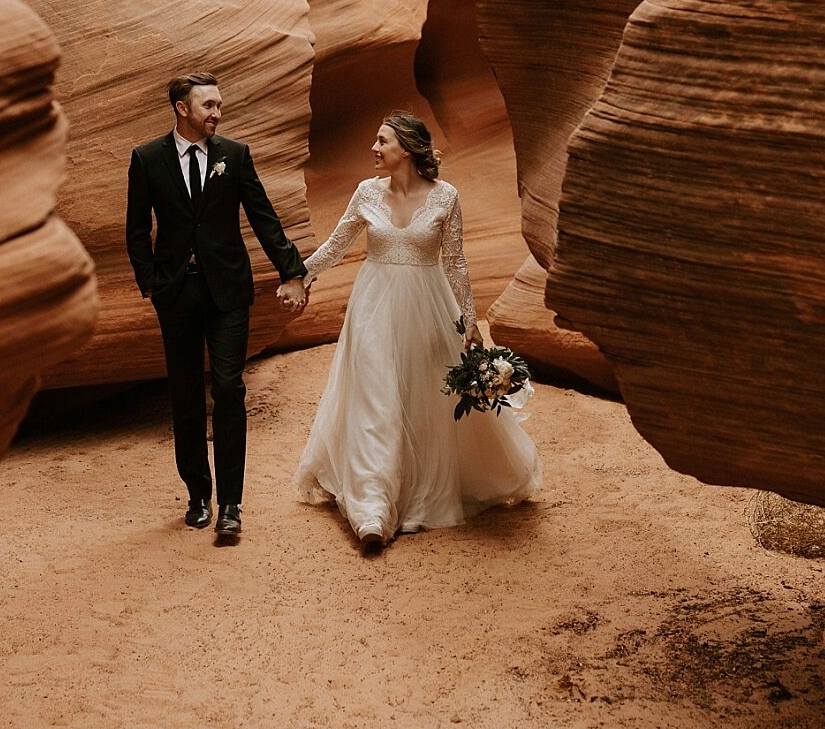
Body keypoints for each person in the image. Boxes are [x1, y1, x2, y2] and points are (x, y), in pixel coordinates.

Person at [293, 113, 542, 548]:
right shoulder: (365, 192)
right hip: (373, 309)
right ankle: (372, 510)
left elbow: (456, 261)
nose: (374, 147)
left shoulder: (445, 196)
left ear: (405, 148)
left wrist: (469, 321)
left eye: (382, 140)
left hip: (429, 308)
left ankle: (413, 492)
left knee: (421, 398)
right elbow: (336, 244)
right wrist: (300, 276)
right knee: (377, 397)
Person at [126, 73, 310, 537]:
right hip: (176, 295)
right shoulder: (147, 159)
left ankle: (231, 504)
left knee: (228, 388)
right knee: (186, 395)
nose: (217, 113)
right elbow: (135, 229)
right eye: (208, 105)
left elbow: (264, 216)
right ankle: (197, 495)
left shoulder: (235, 155)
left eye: (219, 105)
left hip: (228, 292)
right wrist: (151, 283)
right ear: (181, 108)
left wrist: (292, 271)